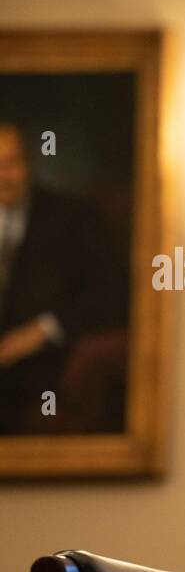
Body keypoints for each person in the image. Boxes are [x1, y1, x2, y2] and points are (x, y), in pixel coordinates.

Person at [0, 122, 127, 434]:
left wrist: (43, 330)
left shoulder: (72, 217)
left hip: (45, 369)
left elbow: (111, 296)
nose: (2, 176)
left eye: (9, 164)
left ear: (28, 165)